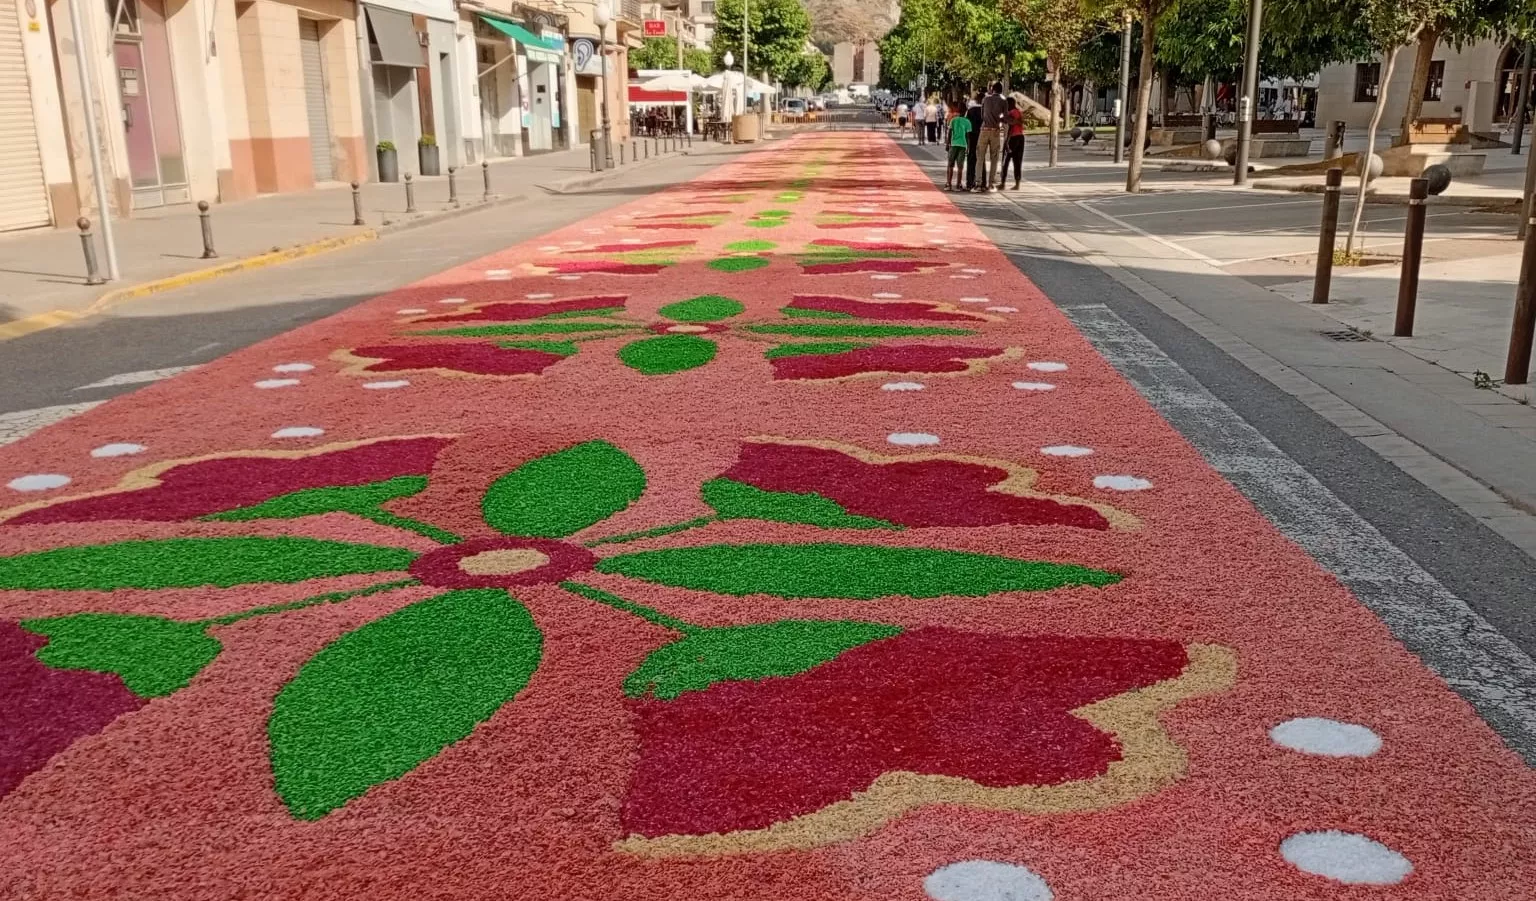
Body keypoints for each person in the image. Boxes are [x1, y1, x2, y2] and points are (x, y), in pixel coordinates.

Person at [976, 81, 1007, 192]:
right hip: (995, 131)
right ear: (1001, 90)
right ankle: (991, 184)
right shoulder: (1004, 101)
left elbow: (982, 114)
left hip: (984, 130)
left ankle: (978, 183)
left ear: (992, 89)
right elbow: (1005, 118)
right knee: (994, 158)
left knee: (980, 157)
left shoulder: (985, 99)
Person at [945, 101, 972, 191]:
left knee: (950, 164)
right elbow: (968, 136)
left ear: (958, 111)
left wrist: (947, 144)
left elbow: (949, 133)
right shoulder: (967, 122)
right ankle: (958, 184)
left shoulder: (953, 120)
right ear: (965, 112)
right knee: (960, 166)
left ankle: (948, 184)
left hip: (953, 144)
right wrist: (968, 147)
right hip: (963, 145)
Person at [1000, 96, 1025, 189]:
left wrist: (1007, 141)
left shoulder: (1011, 113)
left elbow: (1011, 126)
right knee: (1017, 161)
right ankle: (1017, 183)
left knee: (1006, 160)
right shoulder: (1019, 112)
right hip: (1020, 137)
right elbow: (1020, 123)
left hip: (1013, 138)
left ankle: (1003, 183)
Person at [964, 92, 984, 190]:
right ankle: (982, 181)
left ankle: (969, 182)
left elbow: (966, 124)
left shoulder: (970, 110)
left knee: (971, 158)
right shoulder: (984, 110)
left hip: (972, 137)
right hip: (982, 136)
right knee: (981, 159)